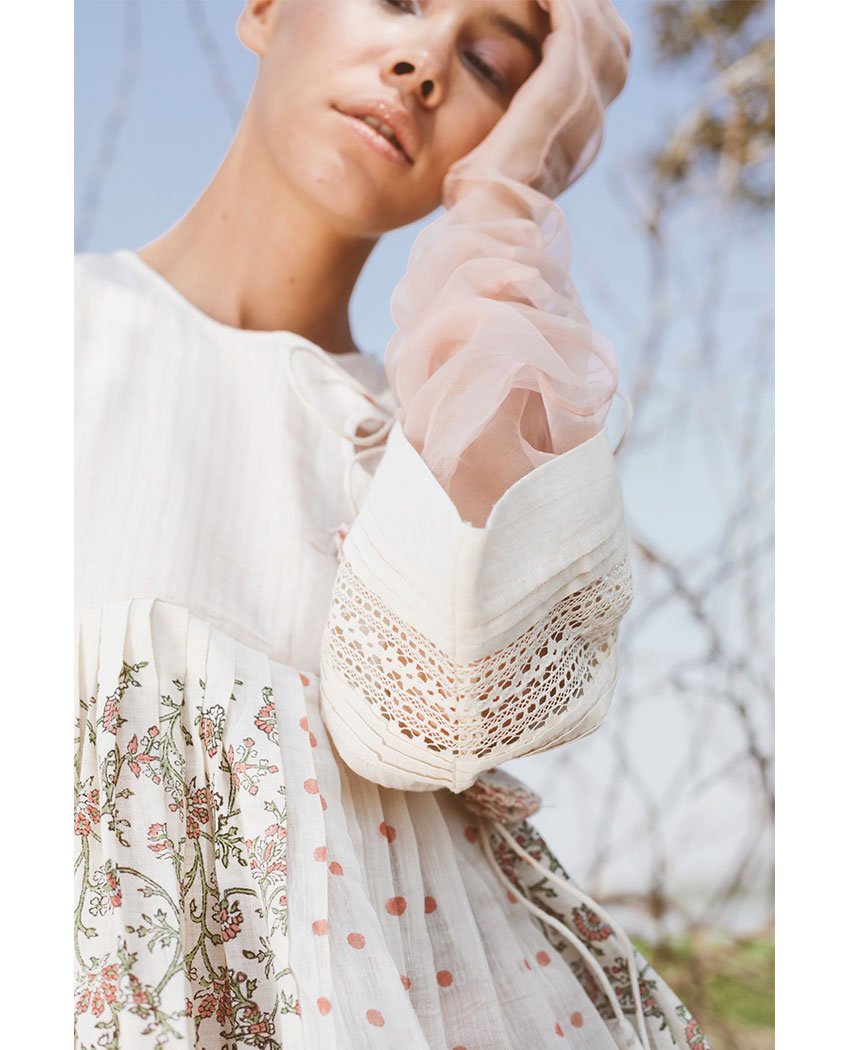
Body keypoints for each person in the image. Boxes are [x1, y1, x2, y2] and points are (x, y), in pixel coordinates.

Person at [74, 1, 711, 1047]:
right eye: (400, 0)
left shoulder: (432, 448)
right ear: (264, 9)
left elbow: (441, 712)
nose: (424, 63)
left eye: (490, 62)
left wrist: (508, 195)